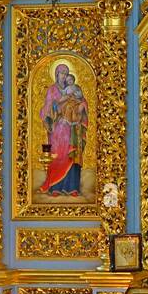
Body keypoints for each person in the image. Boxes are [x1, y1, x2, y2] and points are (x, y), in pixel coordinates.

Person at [39, 63, 89, 196]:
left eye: (66, 74)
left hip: (72, 129)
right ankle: (55, 186)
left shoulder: (73, 88)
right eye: (62, 73)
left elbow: (82, 100)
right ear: (56, 75)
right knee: (58, 155)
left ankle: (72, 187)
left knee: (71, 155)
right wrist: (60, 102)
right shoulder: (52, 90)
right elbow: (46, 109)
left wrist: (81, 106)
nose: (64, 76)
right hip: (58, 130)